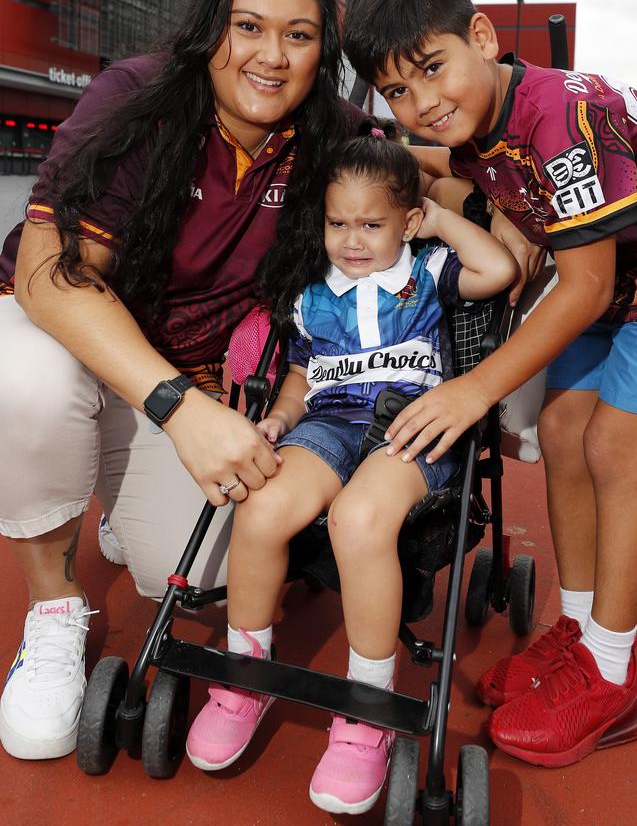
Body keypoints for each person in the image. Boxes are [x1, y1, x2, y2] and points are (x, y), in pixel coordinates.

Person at [0, 0, 365, 762]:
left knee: (211, 576)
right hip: (80, 345)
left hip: (181, 379)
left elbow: (437, 171)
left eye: (299, 35)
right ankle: (54, 611)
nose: (271, 56)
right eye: (249, 27)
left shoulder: (329, 133)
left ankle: (114, 490)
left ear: (322, 51)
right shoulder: (138, 98)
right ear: (212, 28)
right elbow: (46, 276)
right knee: (22, 377)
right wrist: (178, 407)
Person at [342, 0, 637, 768]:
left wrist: (475, 386)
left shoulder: (562, 113)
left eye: (433, 69)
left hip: (620, 279)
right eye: (398, 92)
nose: (423, 103)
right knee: (560, 427)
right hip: (620, 277)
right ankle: (580, 632)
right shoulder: (475, 126)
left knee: (617, 445)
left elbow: (583, 287)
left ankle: (614, 675)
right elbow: (434, 161)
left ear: (482, 36)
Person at [184, 128, 515, 814]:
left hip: (410, 426)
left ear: (407, 222)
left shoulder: (426, 271)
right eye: (339, 223)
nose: (354, 238)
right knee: (264, 508)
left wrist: (438, 216)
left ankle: (367, 711)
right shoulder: (314, 294)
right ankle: (244, 679)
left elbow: (499, 272)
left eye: (372, 224)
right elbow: (303, 375)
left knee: (360, 519)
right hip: (327, 424)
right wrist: (277, 419)